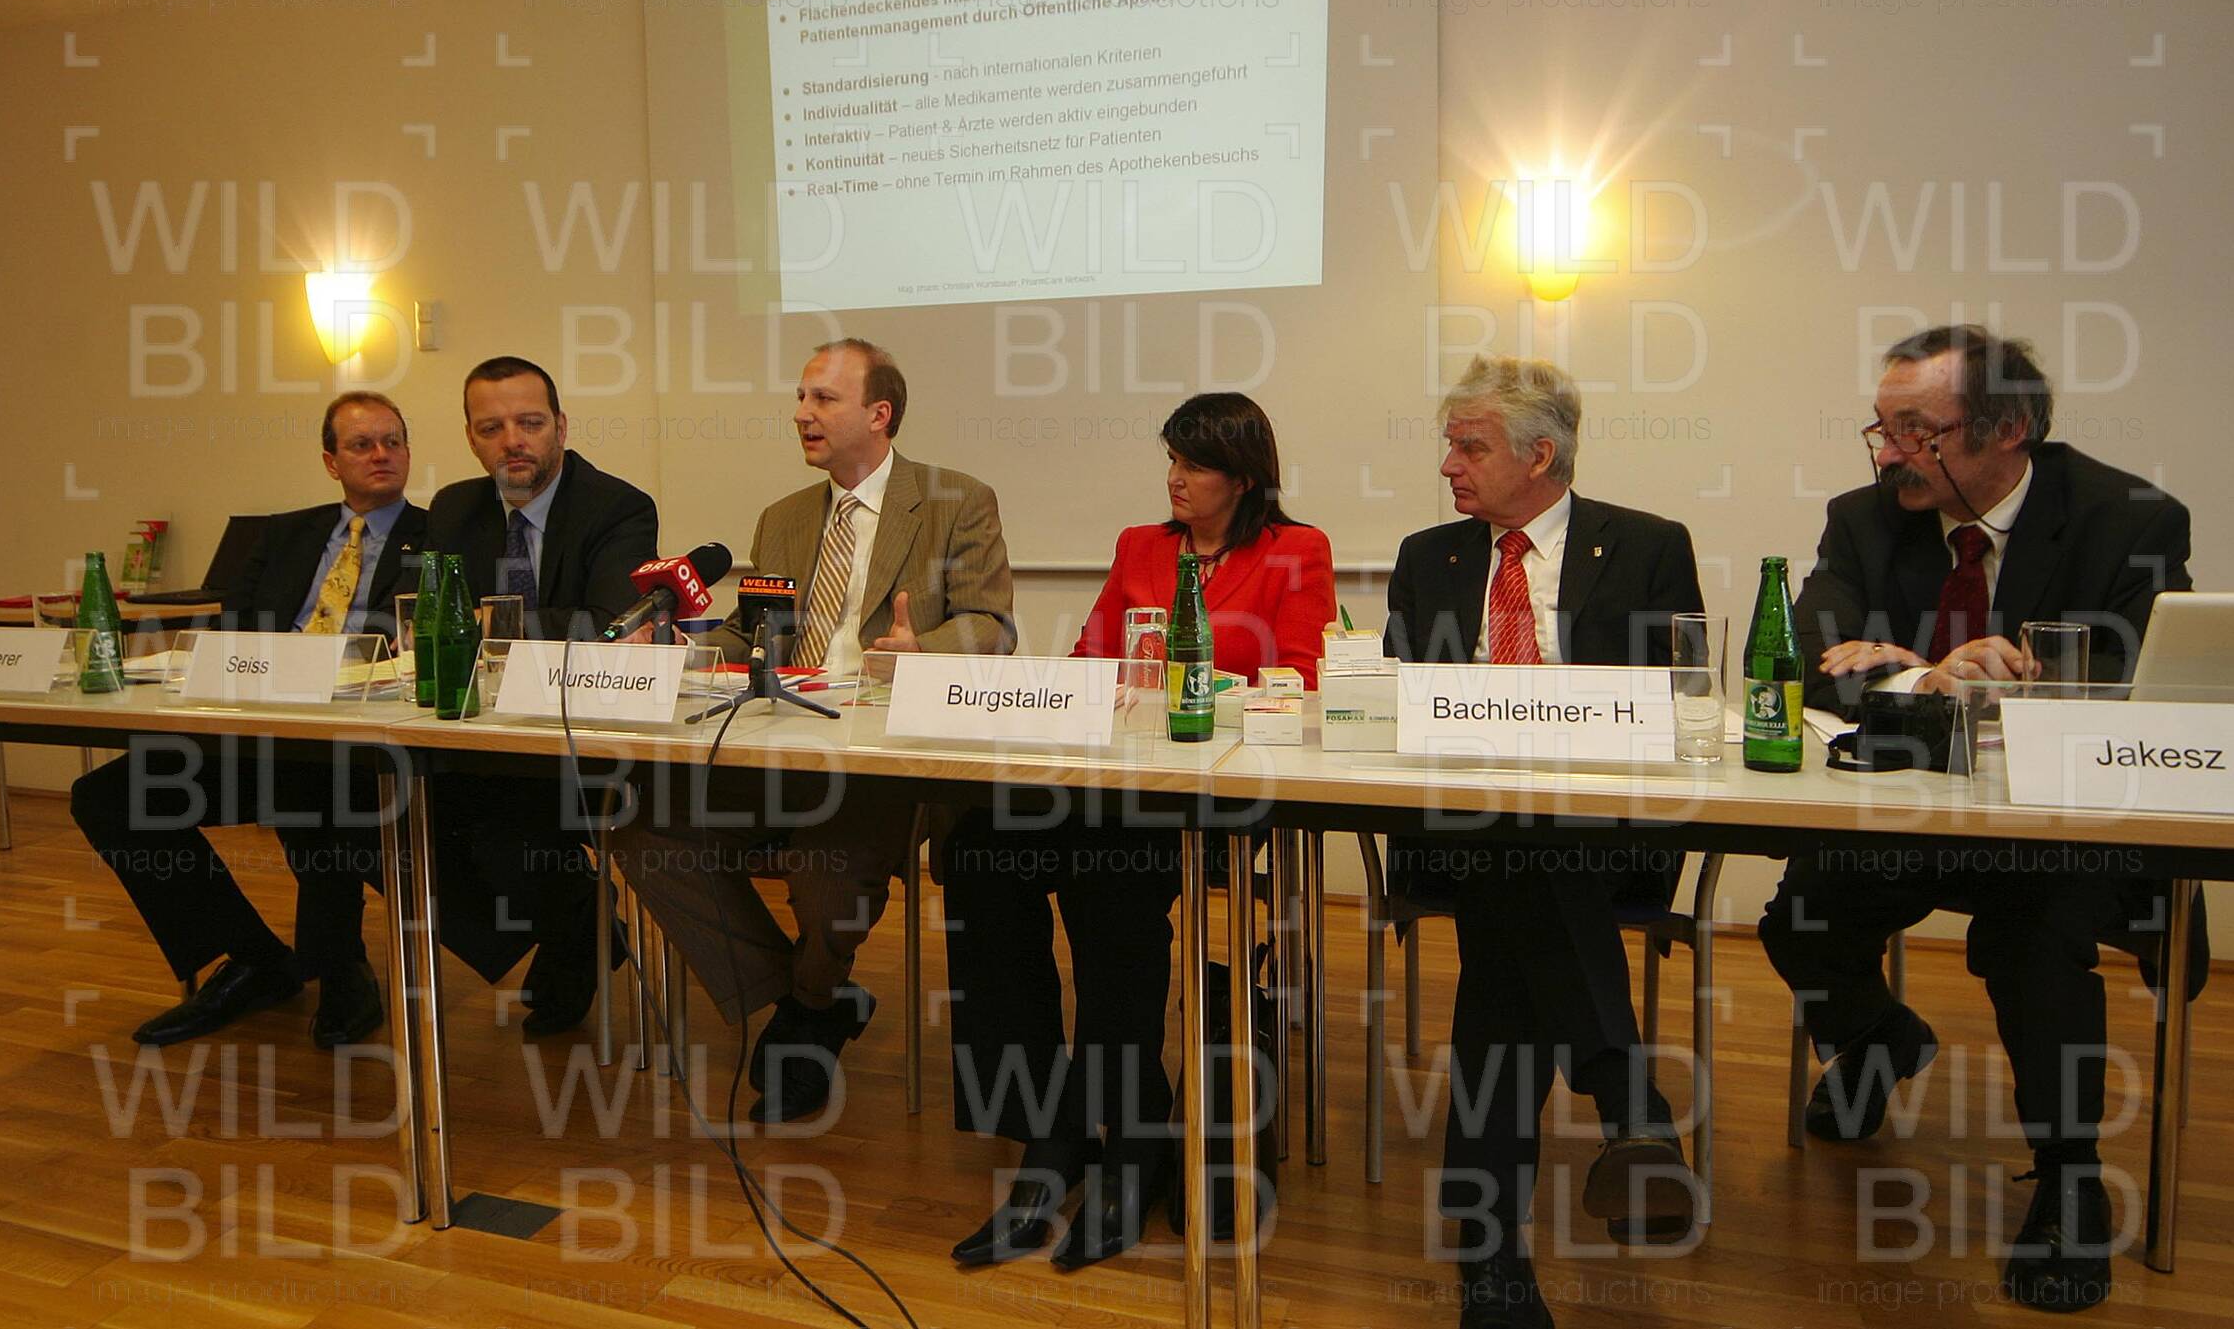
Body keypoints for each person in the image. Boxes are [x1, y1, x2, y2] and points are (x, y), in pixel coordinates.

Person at [1758, 324, 2196, 1314]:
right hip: (1912, 813)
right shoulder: (1865, 518)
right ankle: (1879, 1036)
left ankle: (2070, 1177)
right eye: (1882, 429)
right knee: (1800, 916)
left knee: (2030, 938)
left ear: (2009, 430)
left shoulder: (2126, 519)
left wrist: (1969, 681)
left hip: (2060, 822)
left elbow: (2140, 685)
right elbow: (1813, 660)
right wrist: (1930, 676)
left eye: (1918, 431)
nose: (1890, 455)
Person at [939, 392, 1336, 1270]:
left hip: (1210, 787)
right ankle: (1053, 1123)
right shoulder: (1140, 546)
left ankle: (1120, 1142)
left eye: (1194, 464)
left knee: (1111, 878)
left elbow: (1302, 683)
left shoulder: (1294, 549)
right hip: (1108, 779)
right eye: (1172, 460)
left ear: (1243, 477)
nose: (1175, 478)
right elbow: (1090, 660)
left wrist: (1196, 687)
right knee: (976, 850)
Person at [612, 338, 1015, 1122]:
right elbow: (753, 631)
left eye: (823, 398)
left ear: (880, 412)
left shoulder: (956, 501)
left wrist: (921, 651)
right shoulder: (785, 517)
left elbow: (991, 625)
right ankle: (807, 1000)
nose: (802, 412)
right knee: (644, 827)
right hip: (772, 741)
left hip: (880, 758)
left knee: (824, 878)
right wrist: (684, 646)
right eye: (800, 397)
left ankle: (809, 1003)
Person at [1383, 356, 1705, 1329]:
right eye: (1450, 444)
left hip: (1604, 833)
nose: (1448, 465)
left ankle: (1491, 1254)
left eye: (1469, 446)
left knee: (1512, 925)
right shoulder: (1428, 555)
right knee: (1518, 858)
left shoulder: (1647, 545)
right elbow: (1398, 703)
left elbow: (1683, 697)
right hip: (1459, 827)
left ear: (1539, 454)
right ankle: (1629, 1105)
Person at [70, 391, 425, 1050]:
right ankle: (254, 958)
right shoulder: (285, 533)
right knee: (106, 795)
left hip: (362, 740)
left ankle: (339, 967)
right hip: (259, 729)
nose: (381, 454)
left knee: (319, 787)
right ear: (331, 460)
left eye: (393, 441)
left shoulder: (439, 537)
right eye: (361, 444)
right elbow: (231, 633)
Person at [422, 355, 659, 1036]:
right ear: (471, 437)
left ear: (561, 426)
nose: (512, 442)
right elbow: (424, 620)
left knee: (502, 823)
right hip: (473, 728)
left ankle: (571, 928)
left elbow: (607, 623)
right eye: (491, 428)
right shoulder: (453, 509)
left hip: (578, 735)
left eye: (530, 423)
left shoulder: (617, 506)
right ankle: (577, 922)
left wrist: (481, 621)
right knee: (378, 809)